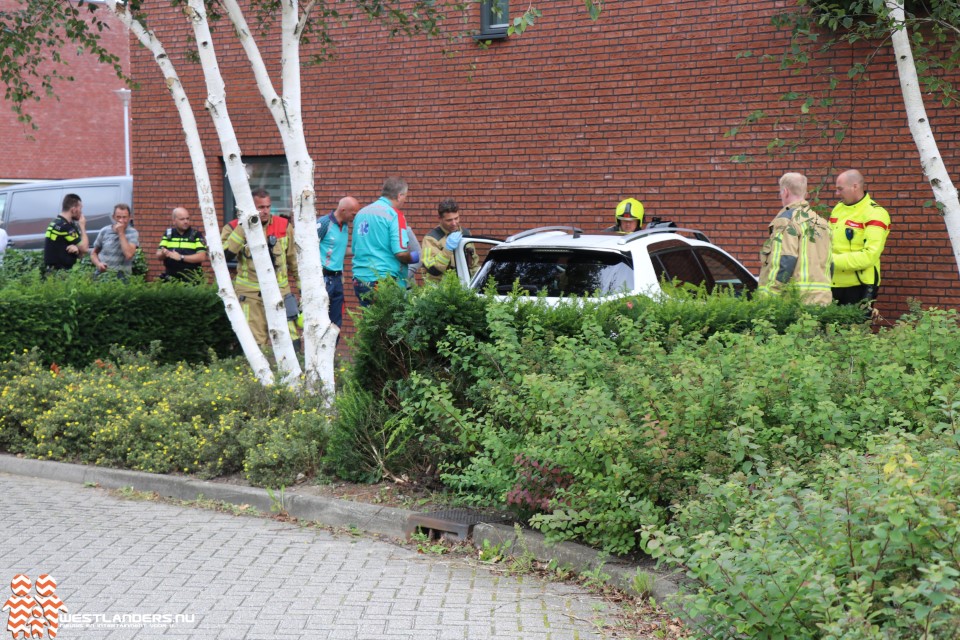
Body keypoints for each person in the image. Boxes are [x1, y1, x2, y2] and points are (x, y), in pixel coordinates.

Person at [223, 189, 299, 347]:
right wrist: (243, 226)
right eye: (260, 207)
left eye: (268, 207)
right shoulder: (233, 227)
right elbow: (224, 256)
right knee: (256, 342)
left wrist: (303, 289)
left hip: (280, 293)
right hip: (250, 296)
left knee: (291, 339)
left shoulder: (284, 226)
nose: (265, 211)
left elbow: (294, 261)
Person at [758, 173, 832, 305]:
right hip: (822, 300)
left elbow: (784, 260)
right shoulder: (822, 223)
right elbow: (830, 264)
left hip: (794, 302)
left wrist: (768, 298)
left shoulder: (786, 221)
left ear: (785, 192)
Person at [351, 177, 419, 307]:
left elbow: (355, 249)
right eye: (405, 196)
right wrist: (414, 257)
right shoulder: (394, 214)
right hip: (383, 281)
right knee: (390, 325)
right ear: (399, 196)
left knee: (370, 323)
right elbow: (400, 253)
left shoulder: (361, 213)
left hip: (359, 280)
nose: (405, 200)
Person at [829, 169, 891, 309]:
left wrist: (828, 260)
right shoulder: (838, 208)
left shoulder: (875, 213)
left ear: (855, 186)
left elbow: (869, 256)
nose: (837, 194)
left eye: (840, 189)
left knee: (856, 330)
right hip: (834, 282)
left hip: (860, 285)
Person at [317, 196, 360, 328]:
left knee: (336, 321)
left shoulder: (345, 226)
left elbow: (340, 250)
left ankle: (332, 348)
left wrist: (361, 250)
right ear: (343, 210)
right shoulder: (324, 224)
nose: (355, 217)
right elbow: (308, 248)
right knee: (321, 318)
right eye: (353, 213)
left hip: (337, 279)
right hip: (323, 277)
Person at [422, 198, 479, 283]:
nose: (454, 223)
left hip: (464, 286)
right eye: (449, 220)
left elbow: (473, 265)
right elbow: (432, 270)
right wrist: (447, 250)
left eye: (456, 218)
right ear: (440, 219)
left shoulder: (466, 233)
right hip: (441, 290)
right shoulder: (430, 239)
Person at [157, 207, 207, 282]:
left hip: (191, 279)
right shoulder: (168, 234)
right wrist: (164, 253)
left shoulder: (196, 234)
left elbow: (202, 256)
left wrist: (181, 257)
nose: (186, 221)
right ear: (174, 221)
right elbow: (158, 255)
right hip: (171, 279)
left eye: (187, 219)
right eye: (182, 219)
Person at [91, 203, 139, 279]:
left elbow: (129, 255)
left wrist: (121, 232)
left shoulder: (132, 233)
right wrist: (98, 264)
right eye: (118, 217)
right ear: (113, 217)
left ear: (130, 217)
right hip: (103, 275)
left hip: (123, 277)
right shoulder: (104, 231)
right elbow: (94, 253)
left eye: (124, 217)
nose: (121, 220)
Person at [43, 193, 89, 272]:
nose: (81, 212)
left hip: (52, 271)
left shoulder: (55, 223)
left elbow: (61, 246)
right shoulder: (66, 227)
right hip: (61, 273)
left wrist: (77, 248)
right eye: (80, 208)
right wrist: (82, 226)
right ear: (74, 209)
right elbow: (84, 249)